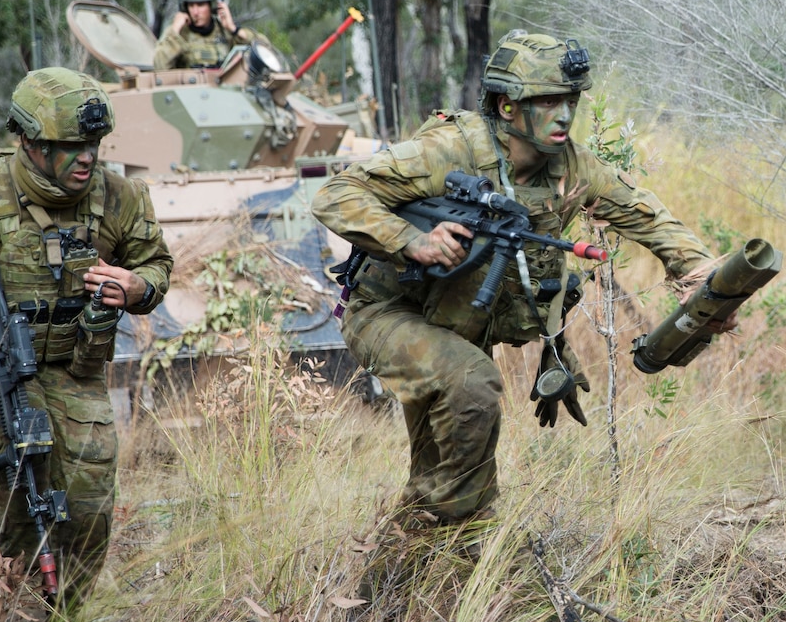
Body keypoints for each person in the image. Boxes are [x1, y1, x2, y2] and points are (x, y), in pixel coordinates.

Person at [312, 30, 735, 529]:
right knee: (472, 387)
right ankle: (439, 538)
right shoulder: (449, 150)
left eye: (570, 101)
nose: (564, 115)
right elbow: (335, 194)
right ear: (507, 107)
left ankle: (421, 552)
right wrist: (412, 240)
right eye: (546, 102)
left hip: (458, 326)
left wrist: (705, 276)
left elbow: (650, 218)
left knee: (456, 454)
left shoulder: (572, 167)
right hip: (390, 314)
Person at [0, 67, 174, 614]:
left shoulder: (121, 197)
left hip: (75, 365)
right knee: (19, 481)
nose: (86, 157)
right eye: (69, 146)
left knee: (88, 501)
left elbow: (155, 265)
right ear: (29, 142)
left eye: (93, 143)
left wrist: (138, 287)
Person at [152, 0, 264, 70]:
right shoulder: (177, 34)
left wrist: (233, 29)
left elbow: (265, 51)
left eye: (200, 5)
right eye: (191, 6)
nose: (195, 12)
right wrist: (175, 30)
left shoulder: (225, 32)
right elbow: (159, 67)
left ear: (213, 6)